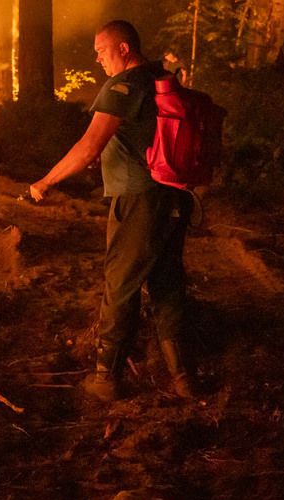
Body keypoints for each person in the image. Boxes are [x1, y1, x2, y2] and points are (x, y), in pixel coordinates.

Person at [30, 20, 195, 401]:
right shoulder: (158, 78)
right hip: (173, 196)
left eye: (102, 51)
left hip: (138, 199)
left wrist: (46, 181)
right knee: (167, 283)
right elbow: (137, 136)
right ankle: (184, 377)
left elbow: (89, 145)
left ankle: (106, 377)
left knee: (121, 284)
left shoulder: (124, 85)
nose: (98, 59)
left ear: (123, 49)